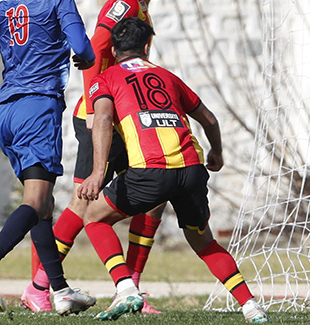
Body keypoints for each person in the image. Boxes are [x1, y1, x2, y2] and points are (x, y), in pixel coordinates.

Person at [75, 18, 268, 322]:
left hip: (150, 171)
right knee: (204, 243)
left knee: (94, 218)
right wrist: (217, 152)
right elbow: (210, 120)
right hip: (191, 169)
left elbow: (101, 119)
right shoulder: (168, 76)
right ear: (147, 46)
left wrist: (98, 173)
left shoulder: (106, 77)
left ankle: (126, 289)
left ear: (113, 49)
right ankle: (251, 306)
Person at [22, 0, 171, 314]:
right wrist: (94, 100)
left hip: (122, 119)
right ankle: (40, 287)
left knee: (152, 201)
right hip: (99, 117)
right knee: (82, 201)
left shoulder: (140, 5)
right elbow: (94, 47)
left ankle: (131, 290)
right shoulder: (123, 3)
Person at [0, 0, 98, 314]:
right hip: (38, 107)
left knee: (40, 203)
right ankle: (55, 289)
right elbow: (83, 48)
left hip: (7, 107)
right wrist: (84, 57)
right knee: (38, 198)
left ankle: (57, 290)